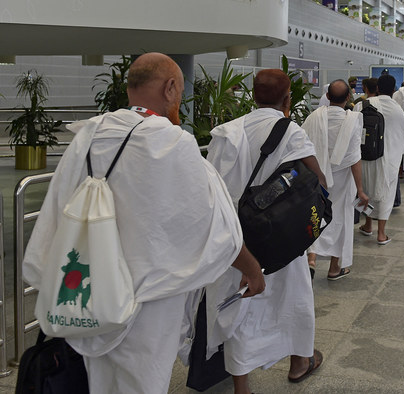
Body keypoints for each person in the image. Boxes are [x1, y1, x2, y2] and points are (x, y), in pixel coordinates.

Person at [22, 53, 265, 394]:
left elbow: (55, 213)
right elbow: (214, 225)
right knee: (142, 383)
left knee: (91, 380)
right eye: (179, 92)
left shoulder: (86, 137)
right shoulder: (171, 142)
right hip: (149, 303)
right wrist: (252, 270)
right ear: (169, 88)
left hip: (86, 294)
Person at [206, 69, 325, 394]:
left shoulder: (225, 133)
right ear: (288, 99)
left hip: (238, 241)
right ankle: (300, 362)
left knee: (241, 310)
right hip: (283, 239)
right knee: (293, 299)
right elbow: (319, 182)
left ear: (253, 95)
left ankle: (242, 387)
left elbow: (213, 189)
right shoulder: (292, 133)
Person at [303, 79, 369, 280]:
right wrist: (360, 189)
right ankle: (334, 268)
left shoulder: (314, 117)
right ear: (348, 97)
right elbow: (354, 159)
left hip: (316, 178)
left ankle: (311, 259)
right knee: (340, 219)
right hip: (342, 181)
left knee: (314, 215)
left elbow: (302, 147)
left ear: (328, 97)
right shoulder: (353, 120)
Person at [354, 74, 404, 245]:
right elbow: (400, 137)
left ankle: (368, 225)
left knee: (365, 190)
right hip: (390, 158)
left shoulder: (363, 105)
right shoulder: (398, 109)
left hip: (365, 156)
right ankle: (381, 234)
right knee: (386, 193)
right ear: (394, 90)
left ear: (376, 88)